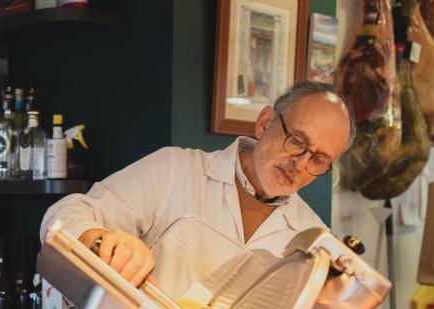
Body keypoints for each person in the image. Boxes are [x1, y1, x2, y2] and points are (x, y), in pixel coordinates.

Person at [39, 81, 355, 292]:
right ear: (264, 122)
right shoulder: (175, 169)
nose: (300, 163)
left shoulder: (313, 240)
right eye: (297, 141)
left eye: (319, 160)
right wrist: (100, 241)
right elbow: (64, 215)